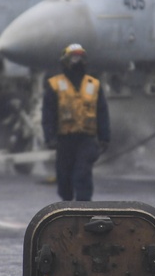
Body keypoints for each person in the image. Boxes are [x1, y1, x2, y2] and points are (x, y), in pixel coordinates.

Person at [42, 43, 110, 201]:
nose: (77, 61)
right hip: (64, 140)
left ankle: (83, 211)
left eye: (80, 57)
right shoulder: (54, 85)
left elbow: (102, 111)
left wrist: (105, 137)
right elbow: (48, 113)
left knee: (82, 174)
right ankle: (67, 208)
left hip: (86, 139)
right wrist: (49, 137)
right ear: (65, 61)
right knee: (64, 181)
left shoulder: (94, 85)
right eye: (73, 57)